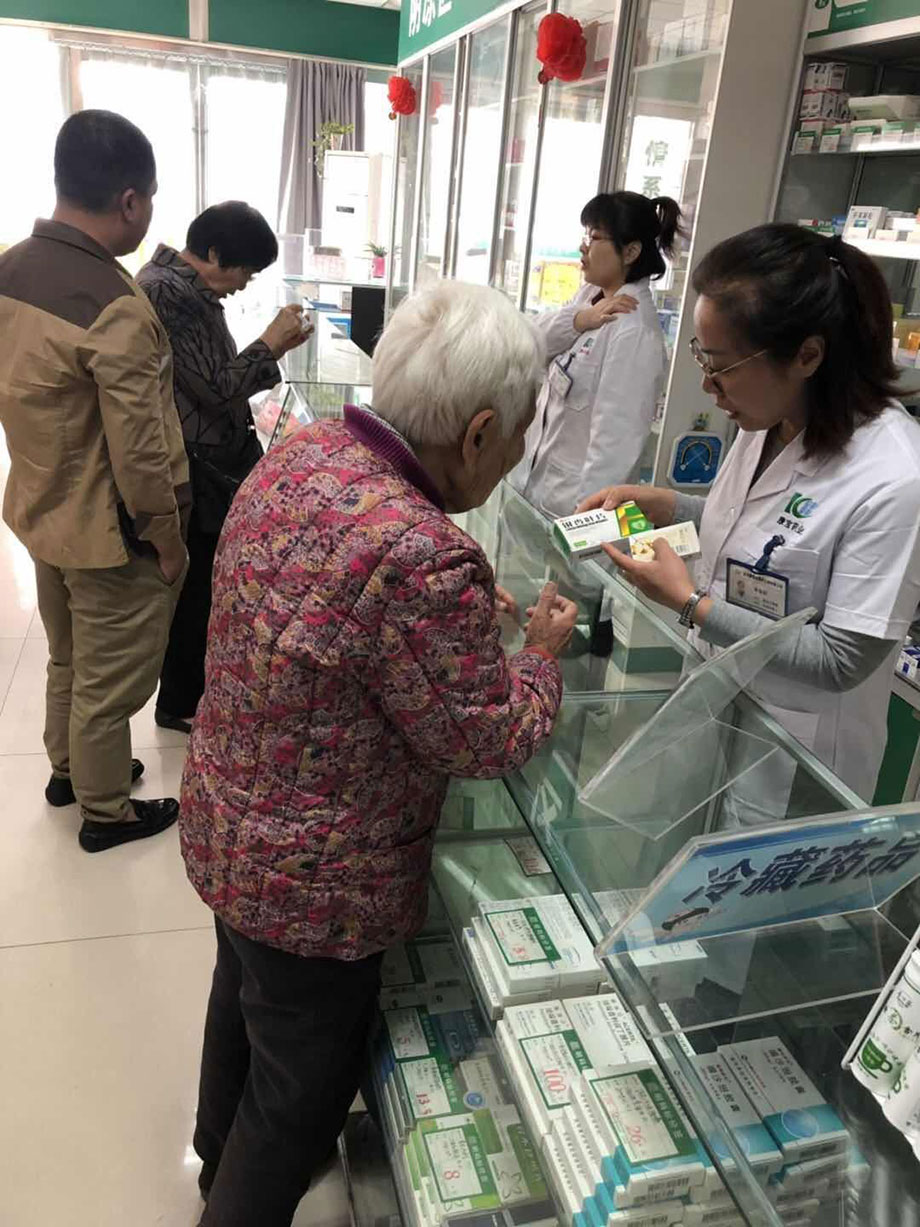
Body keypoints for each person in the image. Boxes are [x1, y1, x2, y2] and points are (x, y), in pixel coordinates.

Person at [178, 281, 577, 1226]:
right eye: (517, 438)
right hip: (316, 887)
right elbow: (487, 735)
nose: (514, 458)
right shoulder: (422, 552)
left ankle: (212, 1157)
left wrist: (456, 618)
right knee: (299, 1092)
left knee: (240, 1000)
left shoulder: (306, 454)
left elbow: (334, 611)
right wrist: (540, 658)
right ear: (478, 432)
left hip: (232, 827)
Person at [579, 223, 920, 803]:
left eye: (722, 365)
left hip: (798, 761)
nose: (708, 385)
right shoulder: (770, 418)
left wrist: (690, 603)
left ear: (807, 355)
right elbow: (755, 528)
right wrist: (669, 504)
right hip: (716, 707)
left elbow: (839, 660)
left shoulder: (894, 477)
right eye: (701, 356)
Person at [0, 110, 190, 853]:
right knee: (110, 683)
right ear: (131, 201)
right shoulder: (114, 304)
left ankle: (68, 771)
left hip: (40, 505)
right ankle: (106, 810)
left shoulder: (11, 267)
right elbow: (142, 451)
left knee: (69, 656)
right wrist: (166, 540)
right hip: (110, 534)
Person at [137, 202, 312, 733]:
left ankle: (189, 693)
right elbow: (216, 389)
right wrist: (270, 343)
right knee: (197, 590)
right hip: (200, 466)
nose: (243, 285)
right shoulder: (169, 293)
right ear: (214, 253)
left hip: (211, 461)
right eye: (245, 272)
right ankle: (180, 701)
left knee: (206, 586)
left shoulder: (187, 289)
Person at [511, 191, 682, 518]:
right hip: (532, 490)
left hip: (567, 508)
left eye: (594, 237)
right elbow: (531, 340)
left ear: (630, 252)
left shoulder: (634, 332)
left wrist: (585, 525)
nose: (583, 247)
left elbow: (614, 449)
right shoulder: (591, 297)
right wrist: (579, 320)